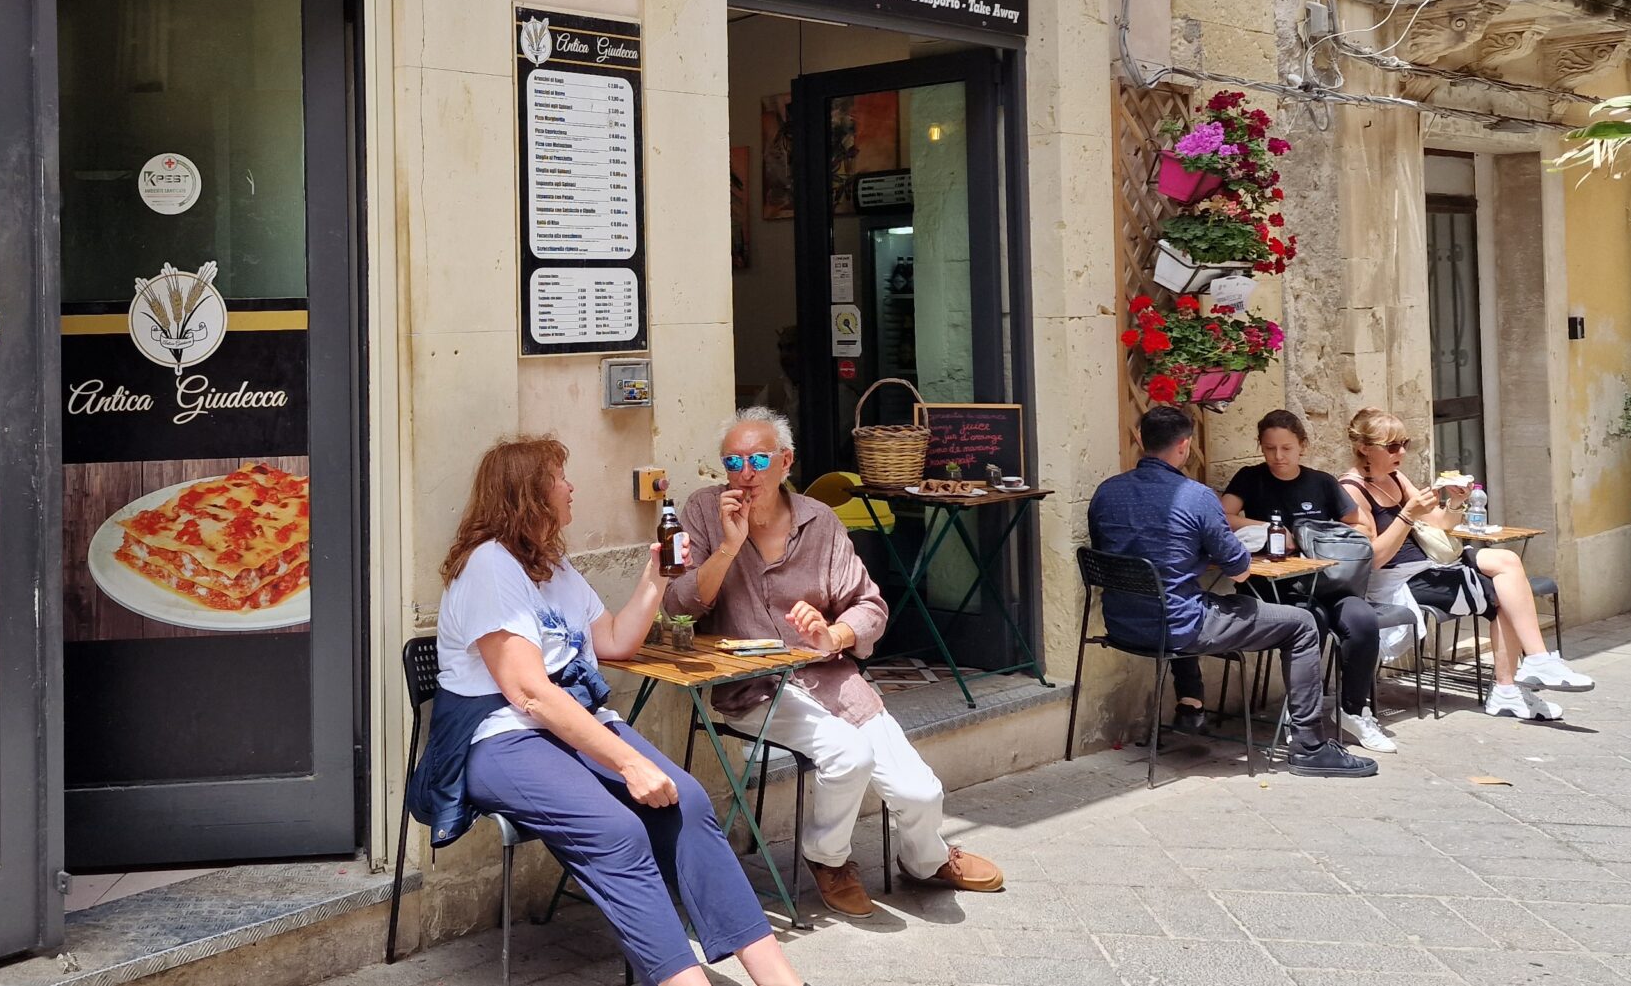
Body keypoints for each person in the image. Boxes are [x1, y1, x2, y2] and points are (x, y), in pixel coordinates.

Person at [418, 437, 808, 986]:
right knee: (616, 829)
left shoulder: (552, 566)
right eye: (560, 477)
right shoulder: (489, 567)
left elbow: (616, 641)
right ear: (530, 493)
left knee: (688, 803)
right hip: (500, 737)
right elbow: (528, 693)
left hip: (568, 724)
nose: (571, 487)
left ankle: (779, 978)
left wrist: (657, 575)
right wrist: (628, 763)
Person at [664, 408, 1003, 919]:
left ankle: (927, 859)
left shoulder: (819, 521)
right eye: (732, 462)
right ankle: (828, 859)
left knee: (919, 790)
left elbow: (869, 605)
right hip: (754, 686)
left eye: (758, 460)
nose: (745, 473)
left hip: (829, 676)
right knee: (849, 756)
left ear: (786, 462)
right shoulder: (705, 511)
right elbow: (679, 605)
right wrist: (728, 548)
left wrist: (833, 635)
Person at [1086, 406, 1377, 778]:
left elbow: (1111, 552)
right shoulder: (1196, 497)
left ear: (1141, 439)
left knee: (1188, 597)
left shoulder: (1106, 492)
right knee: (1303, 623)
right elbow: (1239, 569)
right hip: (1180, 627)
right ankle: (1309, 746)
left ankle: (1191, 705)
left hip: (1121, 623)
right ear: (1185, 445)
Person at [1337, 407, 1595, 720]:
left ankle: (1530, 668)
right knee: (1504, 594)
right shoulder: (1351, 489)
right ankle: (1512, 684)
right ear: (1365, 448)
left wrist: (1456, 501)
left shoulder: (1395, 477)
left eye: (1404, 443)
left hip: (1432, 566)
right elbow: (1373, 558)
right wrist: (1407, 515)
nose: (1401, 452)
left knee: (1508, 562)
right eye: (1392, 447)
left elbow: (1441, 522)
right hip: (1398, 581)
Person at [1218, 409, 1393, 754]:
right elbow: (1223, 516)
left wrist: (1320, 538)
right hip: (1274, 586)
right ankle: (1300, 716)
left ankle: (1354, 710)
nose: (1278, 456)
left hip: (1326, 580)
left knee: (1362, 620)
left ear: (1303, 446)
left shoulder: (1321, 482)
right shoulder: (1250, 478)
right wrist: (1274, 530)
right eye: (1270, 448)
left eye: (1286, 448)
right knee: (1312, 620)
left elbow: (1358, 525)